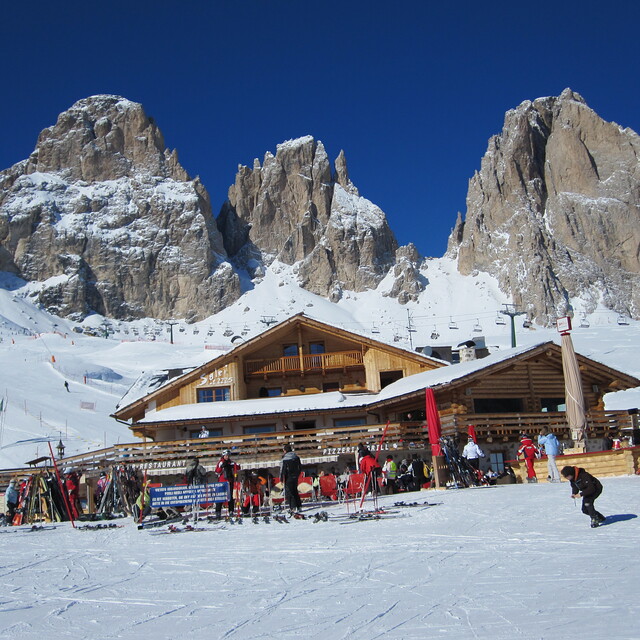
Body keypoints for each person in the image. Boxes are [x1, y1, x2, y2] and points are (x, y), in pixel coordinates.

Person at [215, 450, 240, 519]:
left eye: (228, 456)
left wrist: (234, 465)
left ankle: (231, 511)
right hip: (222, 482)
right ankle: (218, 512)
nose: (227, 457)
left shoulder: (230, 462)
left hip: (229, 481)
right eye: (226, 456)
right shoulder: (221, 462)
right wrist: (221, 467)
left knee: (230, 497)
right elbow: (216, 472)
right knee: (220, 497)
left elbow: (237, 467)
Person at [280, 444, 302, 513]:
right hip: (295, 477)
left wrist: (281, 478)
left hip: (288, 477)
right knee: (295, 491)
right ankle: (299, 506)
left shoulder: (284, 459)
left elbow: (283, 470)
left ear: (285, 450)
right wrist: (297, 474)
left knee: (289, 493)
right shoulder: (296, 457)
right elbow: (300, 467)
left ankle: (292, 507)